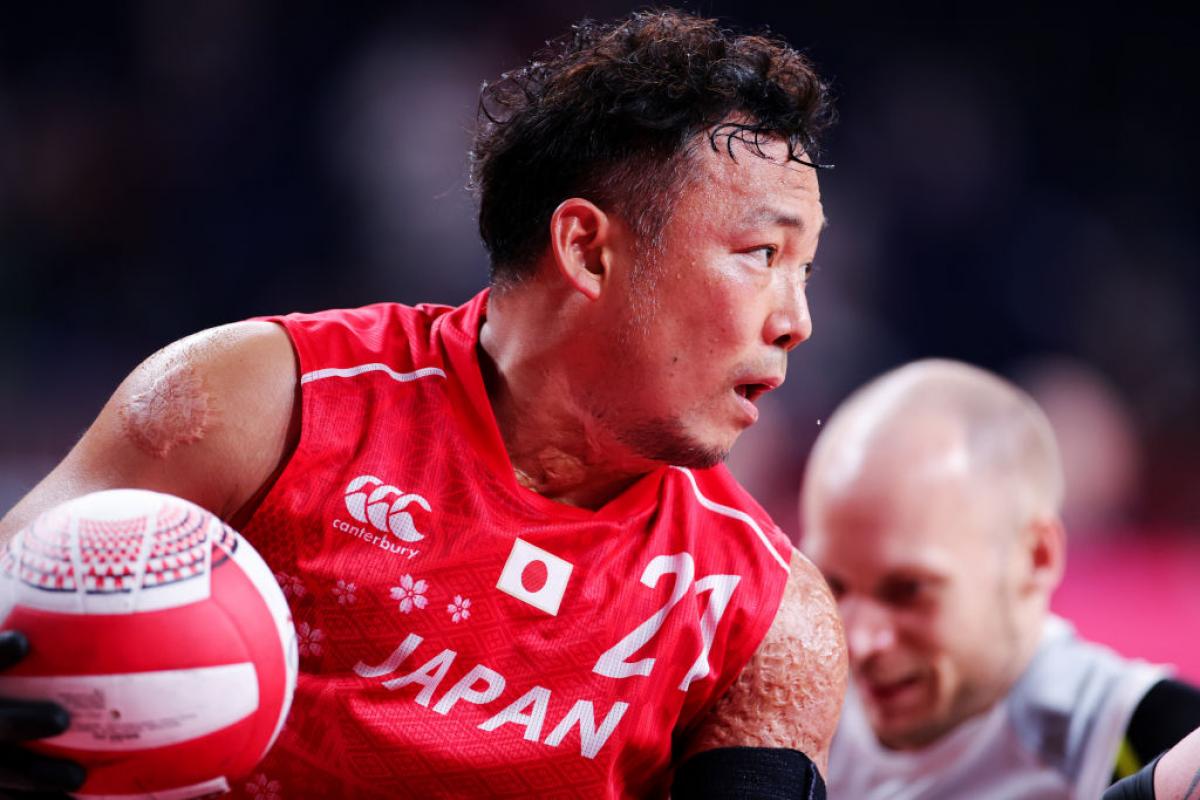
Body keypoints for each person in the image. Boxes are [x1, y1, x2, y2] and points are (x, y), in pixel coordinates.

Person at [0, 10, 848, 799]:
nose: (796, 321)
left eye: (803, 270)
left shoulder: (767, 620)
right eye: (762, 253)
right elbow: (19, 601)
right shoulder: (259, 400)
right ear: (587, 250)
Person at [801, 358, 1200, 799]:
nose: (859, 640)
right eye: (833, 587)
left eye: (908, 591)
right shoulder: (781, 722)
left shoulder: (1134, 733)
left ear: (1036, 557)